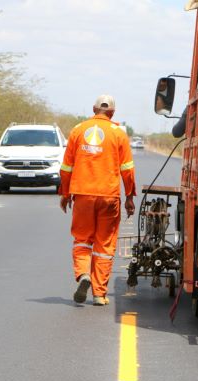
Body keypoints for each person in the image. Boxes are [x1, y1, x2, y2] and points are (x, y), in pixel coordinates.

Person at [59, 95, 136, 306]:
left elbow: (66, 168)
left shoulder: (78, 130)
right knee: (104, 245)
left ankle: (83, 274)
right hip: (109, 197)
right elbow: (127, 170)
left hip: (83, 195)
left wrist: (65, 194)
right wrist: (129, 196)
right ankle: (99, 294)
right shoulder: (119, 134)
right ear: (112, 112)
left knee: (82, 239)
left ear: (94, 109)